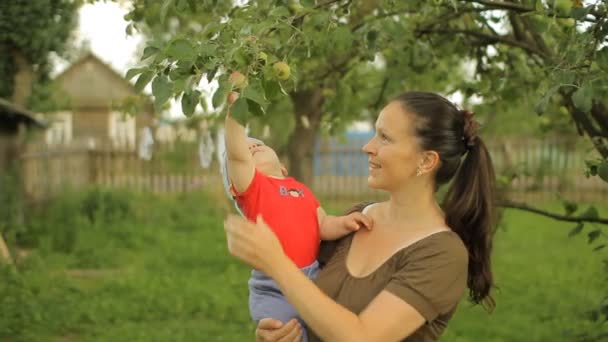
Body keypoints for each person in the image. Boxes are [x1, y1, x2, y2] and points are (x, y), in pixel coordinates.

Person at [223, 91, 497, 342]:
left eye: (385, 138)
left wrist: (275, 263)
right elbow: (303, 296)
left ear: (426, 161)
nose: (367, 146)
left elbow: (362, 337)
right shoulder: (357, 219)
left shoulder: (441, 253)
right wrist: (278, 332)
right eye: (374, 134)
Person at [223, 92, 373, 342]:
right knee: (288, 333)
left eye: (258, 143)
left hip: (312, 275)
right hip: (273, 286)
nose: (251, 146)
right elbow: (236, 153)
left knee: (323, 326)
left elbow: (322, 223)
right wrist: (235, 111)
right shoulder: (254, 190)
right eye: (247, 147)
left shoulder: (301, 190)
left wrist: (345, 222)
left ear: (283, 166)